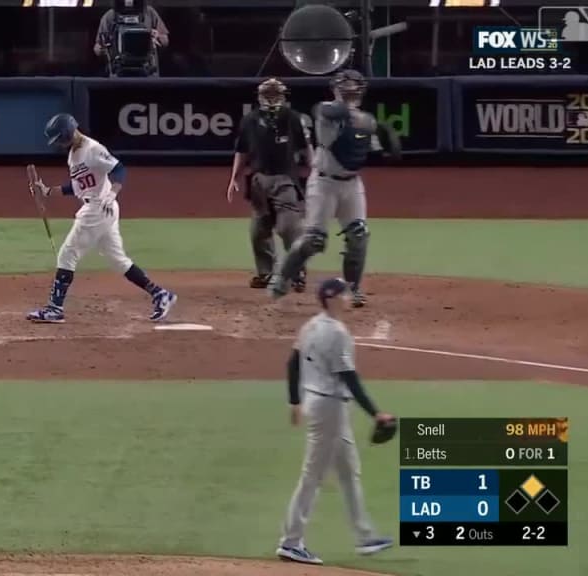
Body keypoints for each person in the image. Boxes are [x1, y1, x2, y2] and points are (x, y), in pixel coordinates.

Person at [277, 277, 396, 566]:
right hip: (329, 408)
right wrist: (375, 412)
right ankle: (291, 542)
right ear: (332, 298)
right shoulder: (337, 333)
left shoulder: (311, 325)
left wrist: (294, 401)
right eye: (343, 293)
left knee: (348, 471)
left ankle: (365, 536)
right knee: (312, 477)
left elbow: (292, 363)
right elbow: (349, 378)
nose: (348, 296)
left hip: (320, 405)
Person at [26, 113, 177, 324]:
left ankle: (54, 309)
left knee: (67, 254)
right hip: (99, 209)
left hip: (98, 208)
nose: (60, 144)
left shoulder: (93, 149)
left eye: (61, 139)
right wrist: (48, 191)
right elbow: (79, 187)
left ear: (69, 132)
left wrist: (113, 192)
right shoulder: (73, 155)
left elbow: (119, 169)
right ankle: (161, 294)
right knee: (118, 261)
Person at [272, 69, 401, 308]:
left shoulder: (366, 120)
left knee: (359, 236)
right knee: (314, 241)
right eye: (346, 87)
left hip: (352, 185)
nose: (351, 91)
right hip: (323, 184)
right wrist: (363, 120)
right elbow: (334, 112)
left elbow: (362, 152)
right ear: (336, 89)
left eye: (354, 87)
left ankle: (353, 288)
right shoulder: (325, 110)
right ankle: (282, 279)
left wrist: (381, 136)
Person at [228, 78, 312, 291]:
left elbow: (305, 148)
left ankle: (297, 271)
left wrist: (315, 172)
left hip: (285, 179)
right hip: (258, 181)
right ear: (260, 97)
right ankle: (265, 273)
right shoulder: (249, 120)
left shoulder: (293, 118)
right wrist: (233, 178)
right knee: (258, 231)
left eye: (276, 95)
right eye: (269, 94)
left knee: (288, 228)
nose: (272, 98)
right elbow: (242, 151)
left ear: (283, 97)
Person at [94, 0, 169, 76]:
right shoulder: (110, 15)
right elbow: (97, 48)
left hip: (146, 68)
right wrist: (104, 49)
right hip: (118, 70)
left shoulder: (149, 12)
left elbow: (165, 40)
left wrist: (157, 36)